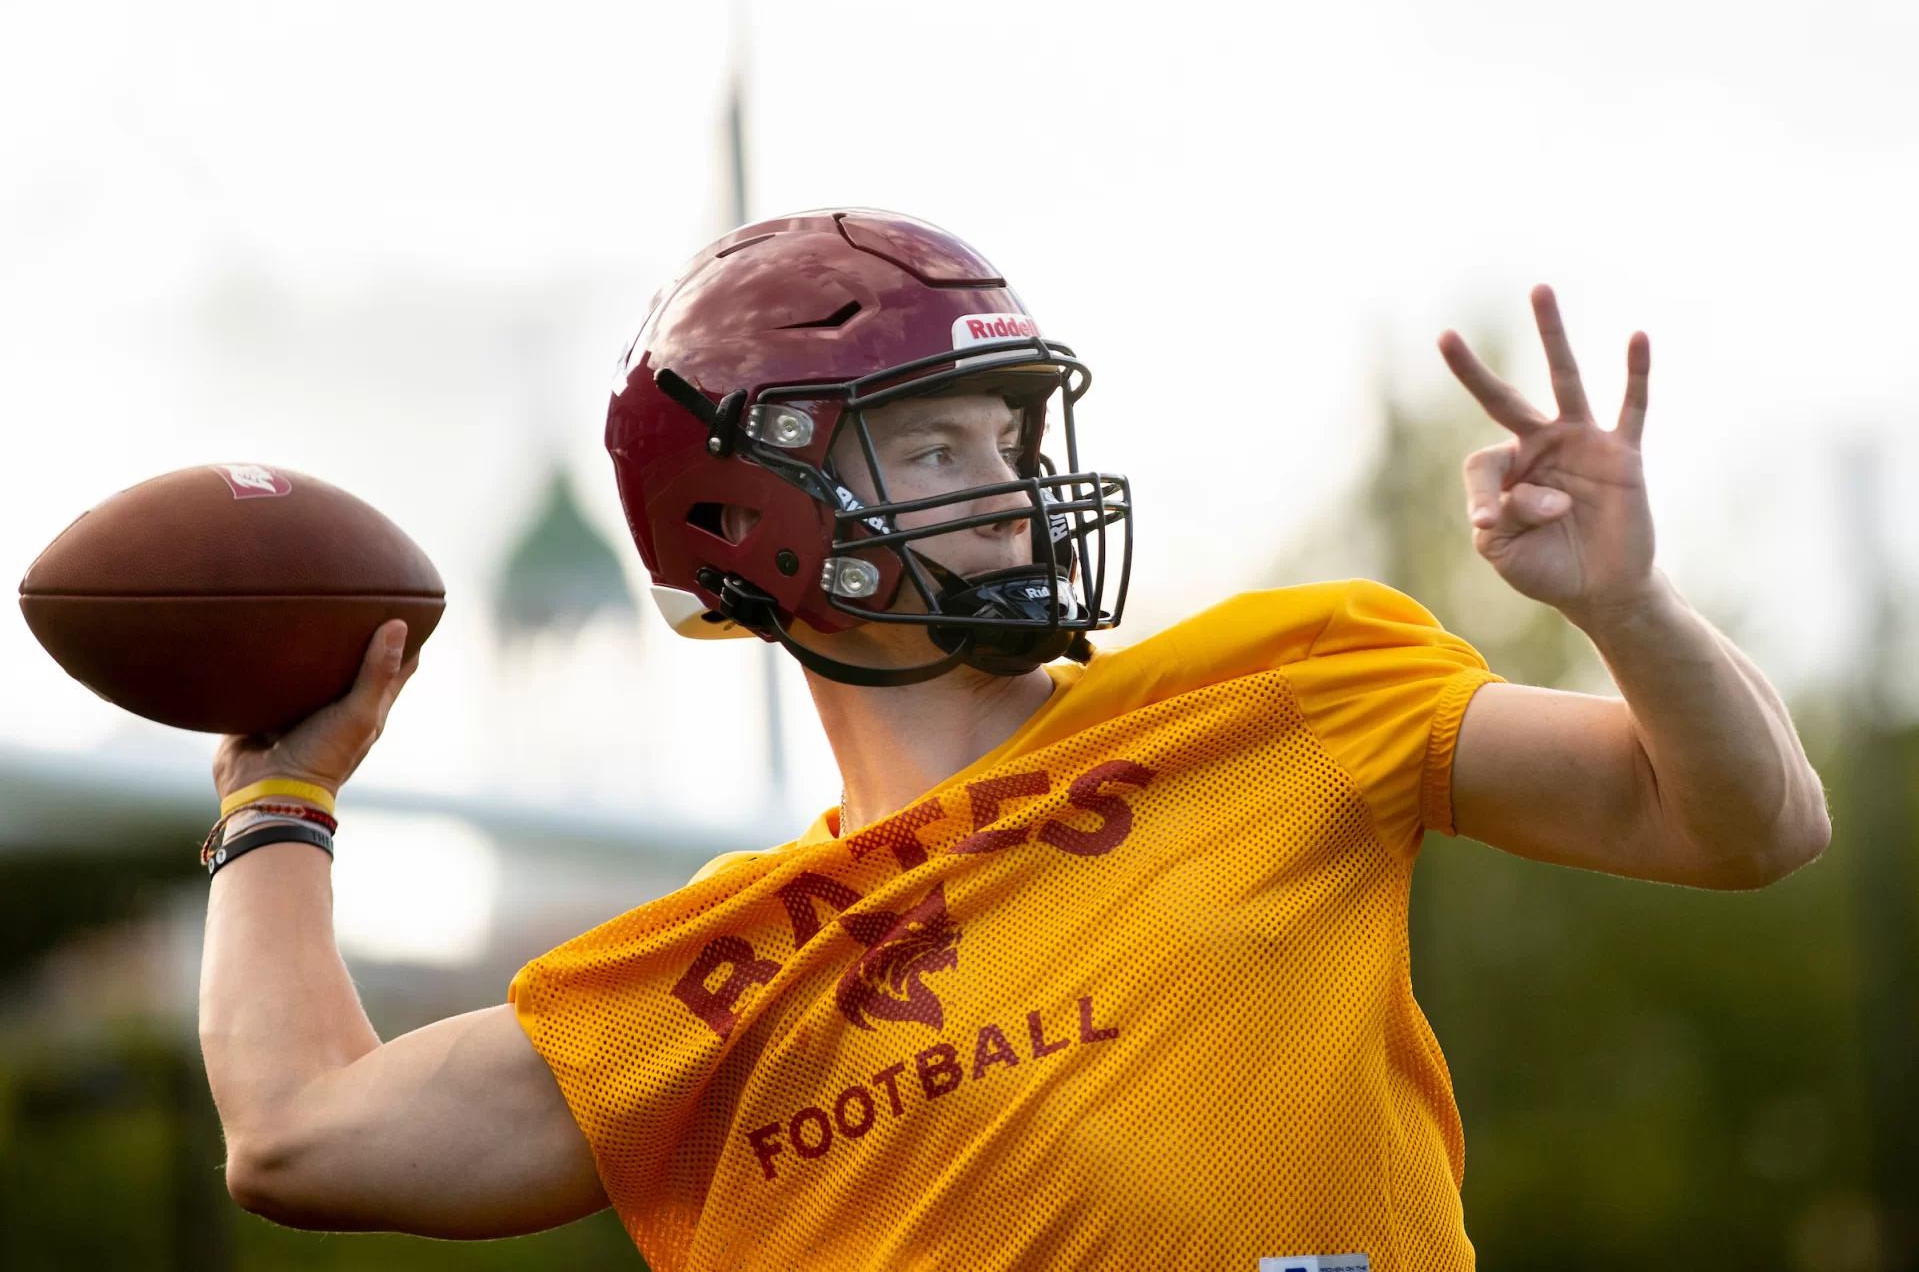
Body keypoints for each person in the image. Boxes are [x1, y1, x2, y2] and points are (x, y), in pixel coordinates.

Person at [197, 211, 1828, 1270]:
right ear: (750, 510)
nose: (1012, 482)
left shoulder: (1276, 696)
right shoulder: (720, 973)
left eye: (1010, 428)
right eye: (930, 442)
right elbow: (298, 1133)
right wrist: (278, 795)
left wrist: (1633, 607)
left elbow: (1744, 824)